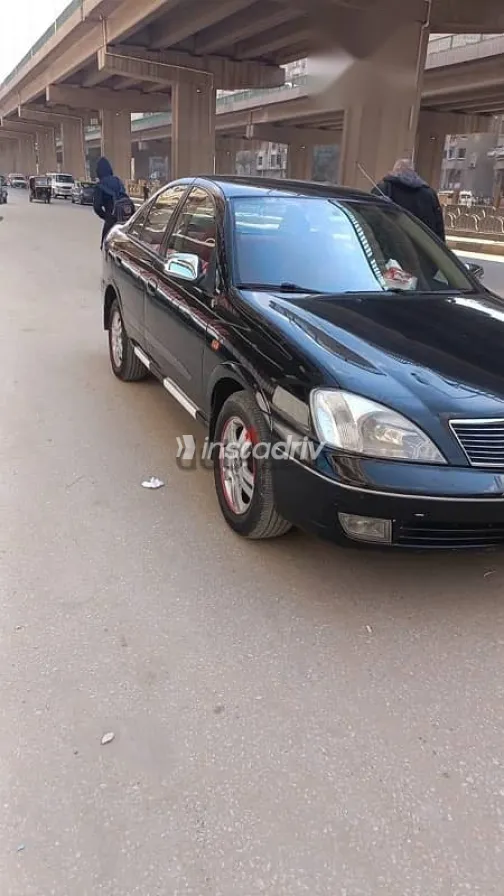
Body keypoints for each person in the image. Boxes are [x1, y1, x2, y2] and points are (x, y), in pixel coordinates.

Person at [372, 158, 445, 242]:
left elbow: (370, 218)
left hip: (392, 246)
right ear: (413, 171)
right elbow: (439, 227)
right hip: (423, 248)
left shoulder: (383, 189)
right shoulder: (429, 194)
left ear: (395, 171)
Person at [93, 157, 129, 248]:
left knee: (106, 246)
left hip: (111, 221)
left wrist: (106, 217)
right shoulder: (118, 181)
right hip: (124, 220)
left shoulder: (100, 186)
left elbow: (97, 207)